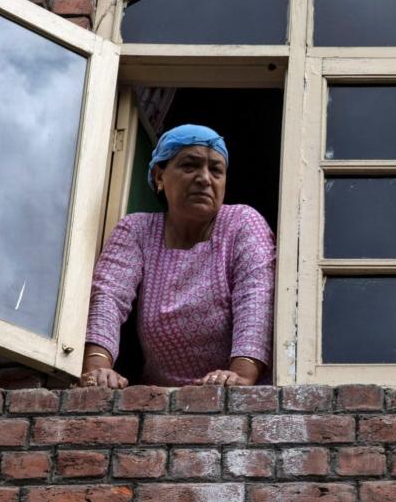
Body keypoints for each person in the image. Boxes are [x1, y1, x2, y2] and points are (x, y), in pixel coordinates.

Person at [79, 124, 275, 388]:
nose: (205, 178)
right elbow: (108, 296)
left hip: (237, 399)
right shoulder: (137, 230)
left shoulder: (242, 222)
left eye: (216, 170)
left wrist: (241, 374)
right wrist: (98, 367)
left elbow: (256, 297)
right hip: (162, 401)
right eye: (190, 166)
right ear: (160, 176)